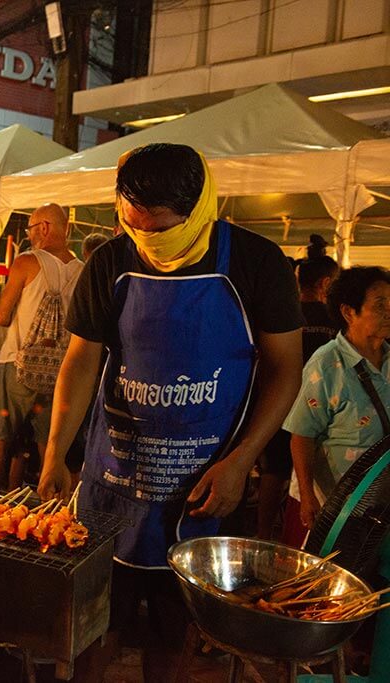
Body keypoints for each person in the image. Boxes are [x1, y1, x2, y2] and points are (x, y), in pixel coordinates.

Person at [36, 144, 303, 682]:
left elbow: (285, 370)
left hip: (203, 479)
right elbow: (81, 361)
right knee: (91, 624)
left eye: (158, 229)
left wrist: (242, 460)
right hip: (114, 472)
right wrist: (54, 453)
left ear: (200, 206)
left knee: (172, 628)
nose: (145, 240)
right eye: (133, 226)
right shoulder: (110, 261)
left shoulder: (256, 263)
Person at [283, 266, 390, 547]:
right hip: (335, 506)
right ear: (348, 312)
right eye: (380, 305)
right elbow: (302, 436)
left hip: (380, 505)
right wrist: (307, 497)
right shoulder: (327, 364)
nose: (389, 311)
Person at [0, 203, 83, 491]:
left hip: (17, 364)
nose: (29, 236)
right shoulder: (81, 270)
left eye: (30, 229)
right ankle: (53, 507)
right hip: (60, 371)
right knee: (50, 443)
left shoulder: (27, 261)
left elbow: (1, 317)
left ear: (45, 228)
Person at [256, 249, 339, 539]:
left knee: (273, 470)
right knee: (306, 474)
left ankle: (263, 533)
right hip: (318, 411)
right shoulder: (335, 321)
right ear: (325, 284)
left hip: (277, 402)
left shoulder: (283, 314)